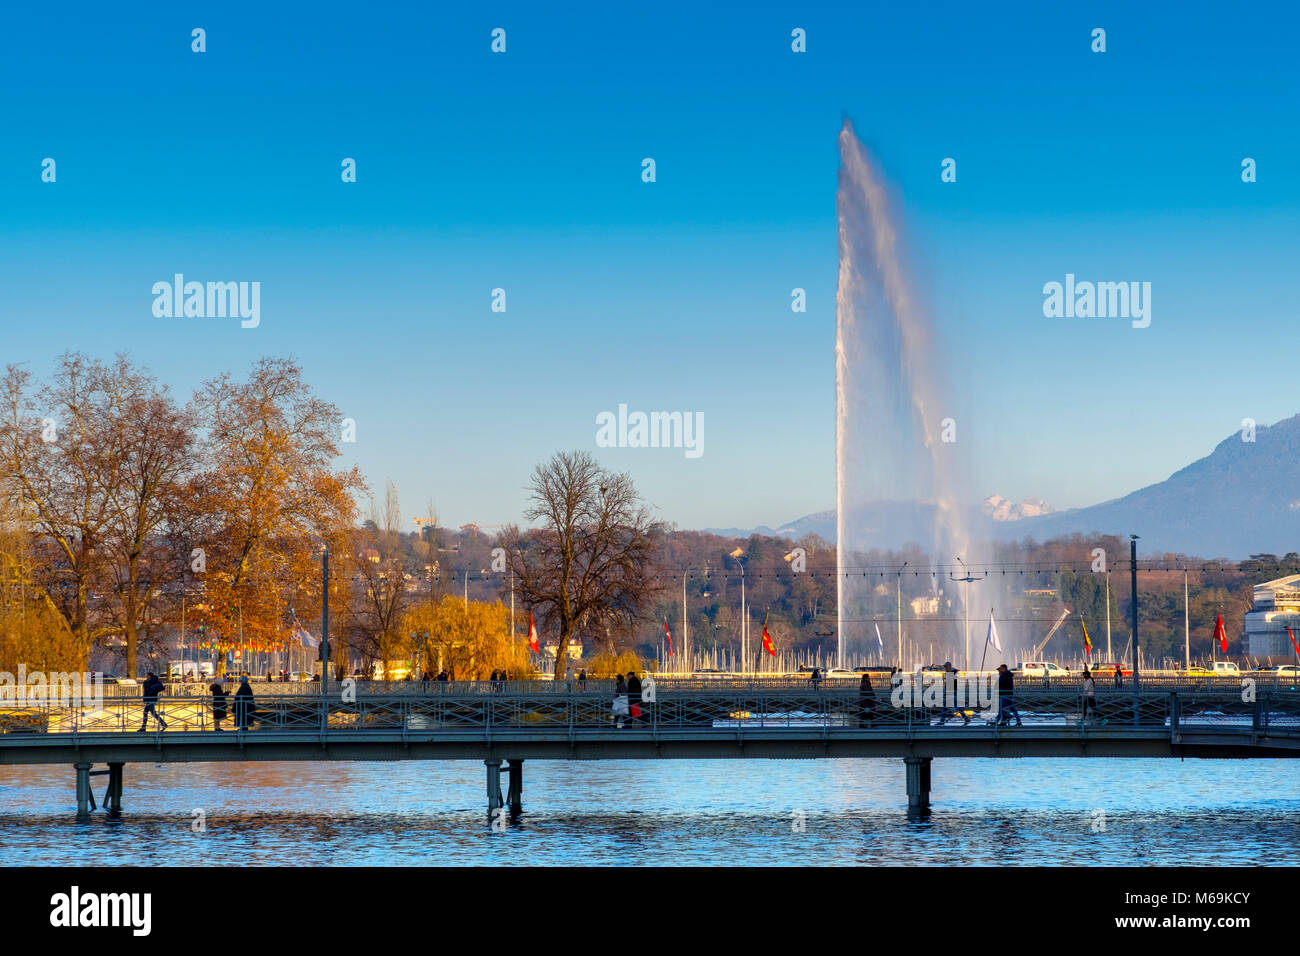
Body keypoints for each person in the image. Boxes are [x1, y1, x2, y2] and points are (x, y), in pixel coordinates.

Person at [937, 661, 968, 726]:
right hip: (952, 692)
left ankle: (942, 721)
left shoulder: (951, 673)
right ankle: (965, 718)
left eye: (946, 667)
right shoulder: (951, 672)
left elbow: (950, 685)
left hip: (951, 692)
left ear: (949, 667)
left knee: (951, 706)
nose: (945, 668)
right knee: (952, 706)